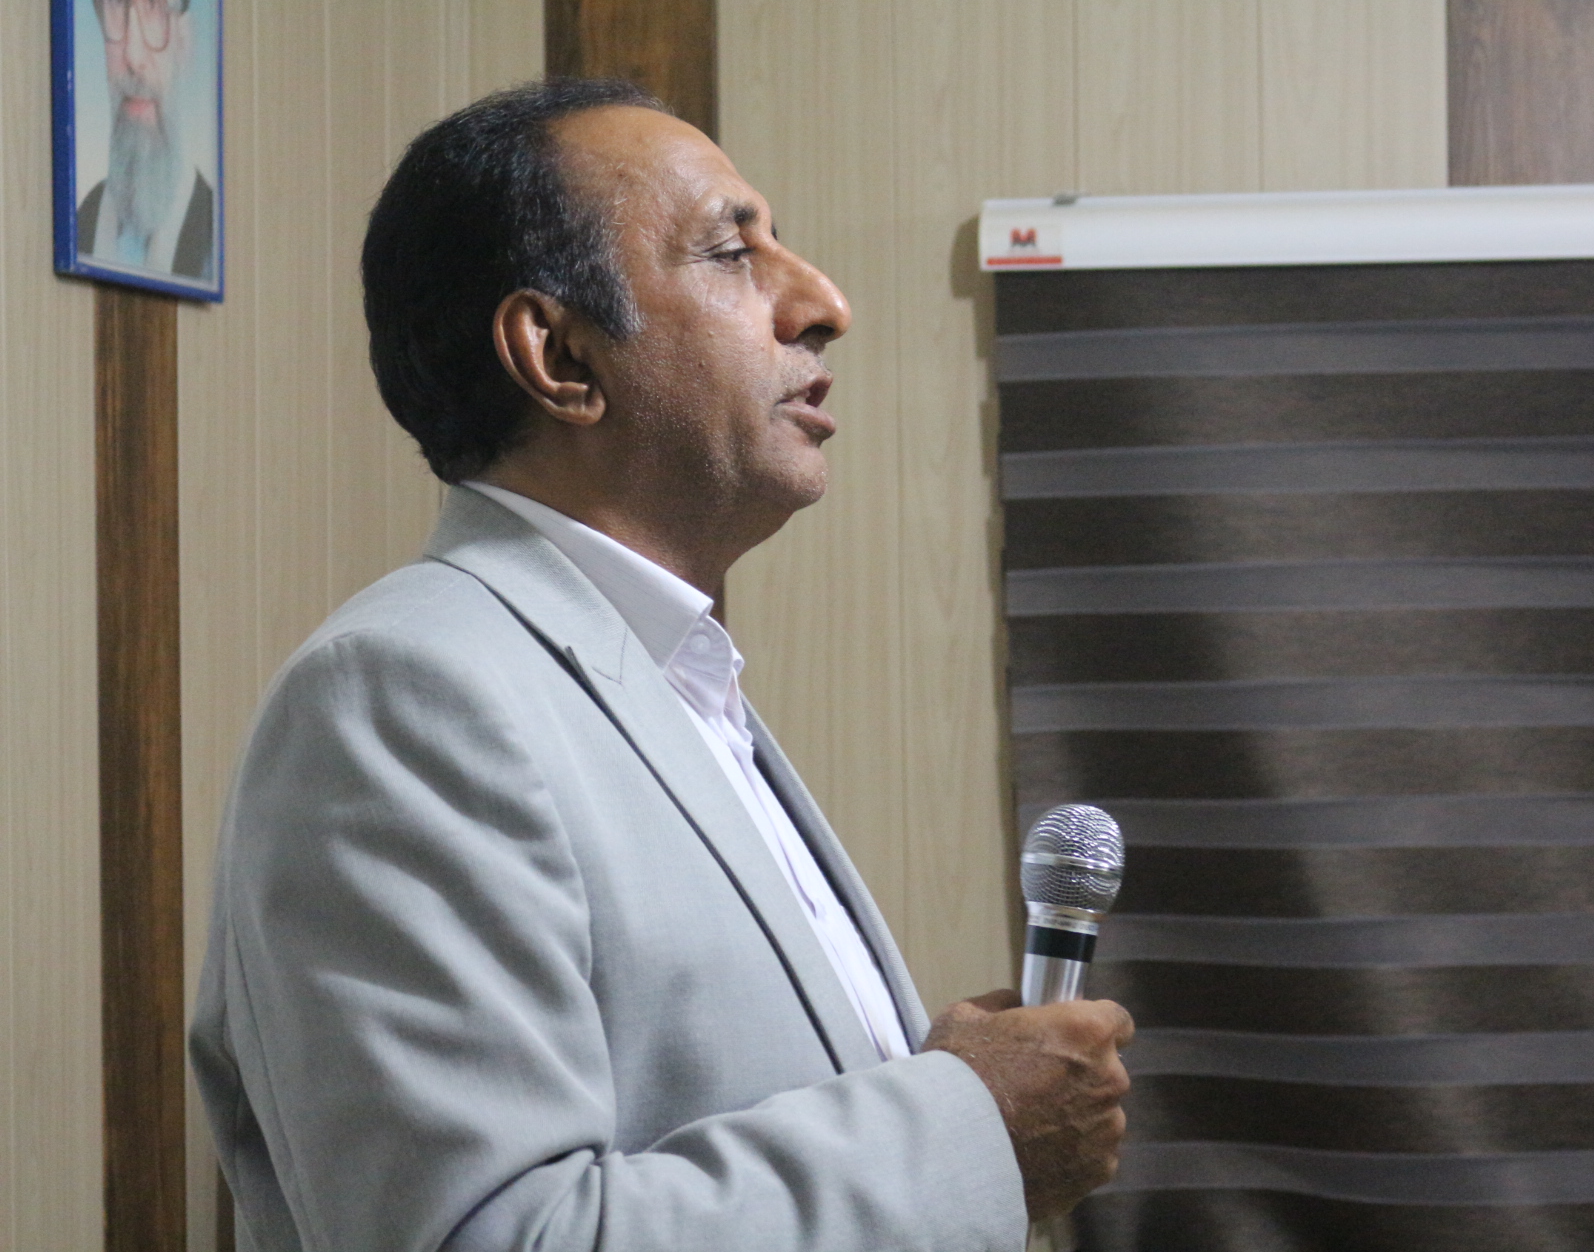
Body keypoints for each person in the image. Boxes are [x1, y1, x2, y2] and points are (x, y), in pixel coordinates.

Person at [190, 78, 1133, 1251]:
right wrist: (969, 1128)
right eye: (733, 251)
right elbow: (495, 1235)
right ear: (560, 354)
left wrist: (944, 1095)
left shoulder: (668, 671)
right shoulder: (395, 700)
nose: (825, 303)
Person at [76, 0, 214, 279]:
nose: (132, 55)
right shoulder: (83, 223)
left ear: (184, 41)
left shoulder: (215, 238)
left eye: (153, 3)